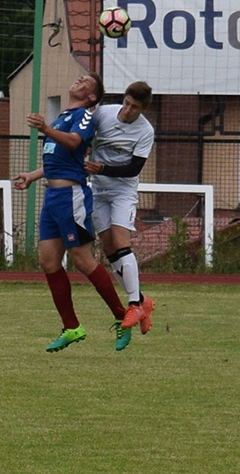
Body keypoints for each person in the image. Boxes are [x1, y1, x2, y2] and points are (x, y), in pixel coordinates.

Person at [13, 73, 131, 352]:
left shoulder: (85, 115)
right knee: (48, 262)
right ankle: (72, 327)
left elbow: (75, 143)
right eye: (79, 78)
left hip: (71, 196)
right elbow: (59, 158)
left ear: (92, 97)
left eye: (86, 82)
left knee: (82, 259)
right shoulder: (61, 118)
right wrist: (33, 175)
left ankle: (122, 316)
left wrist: (45, 128)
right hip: (53, 196)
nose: (79, 80)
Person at [83, 81, 155, 335]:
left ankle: (134, 304)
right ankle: (143, 301)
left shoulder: (145, 131)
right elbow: (86, 139)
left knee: (122, 242)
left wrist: (102, 168)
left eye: (134, 107)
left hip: (123, 192)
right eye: (126, 103)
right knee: (109, 247)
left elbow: (133, 168)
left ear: (143, 109)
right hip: (98, 190)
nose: (127, 110)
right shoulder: (103, 113)